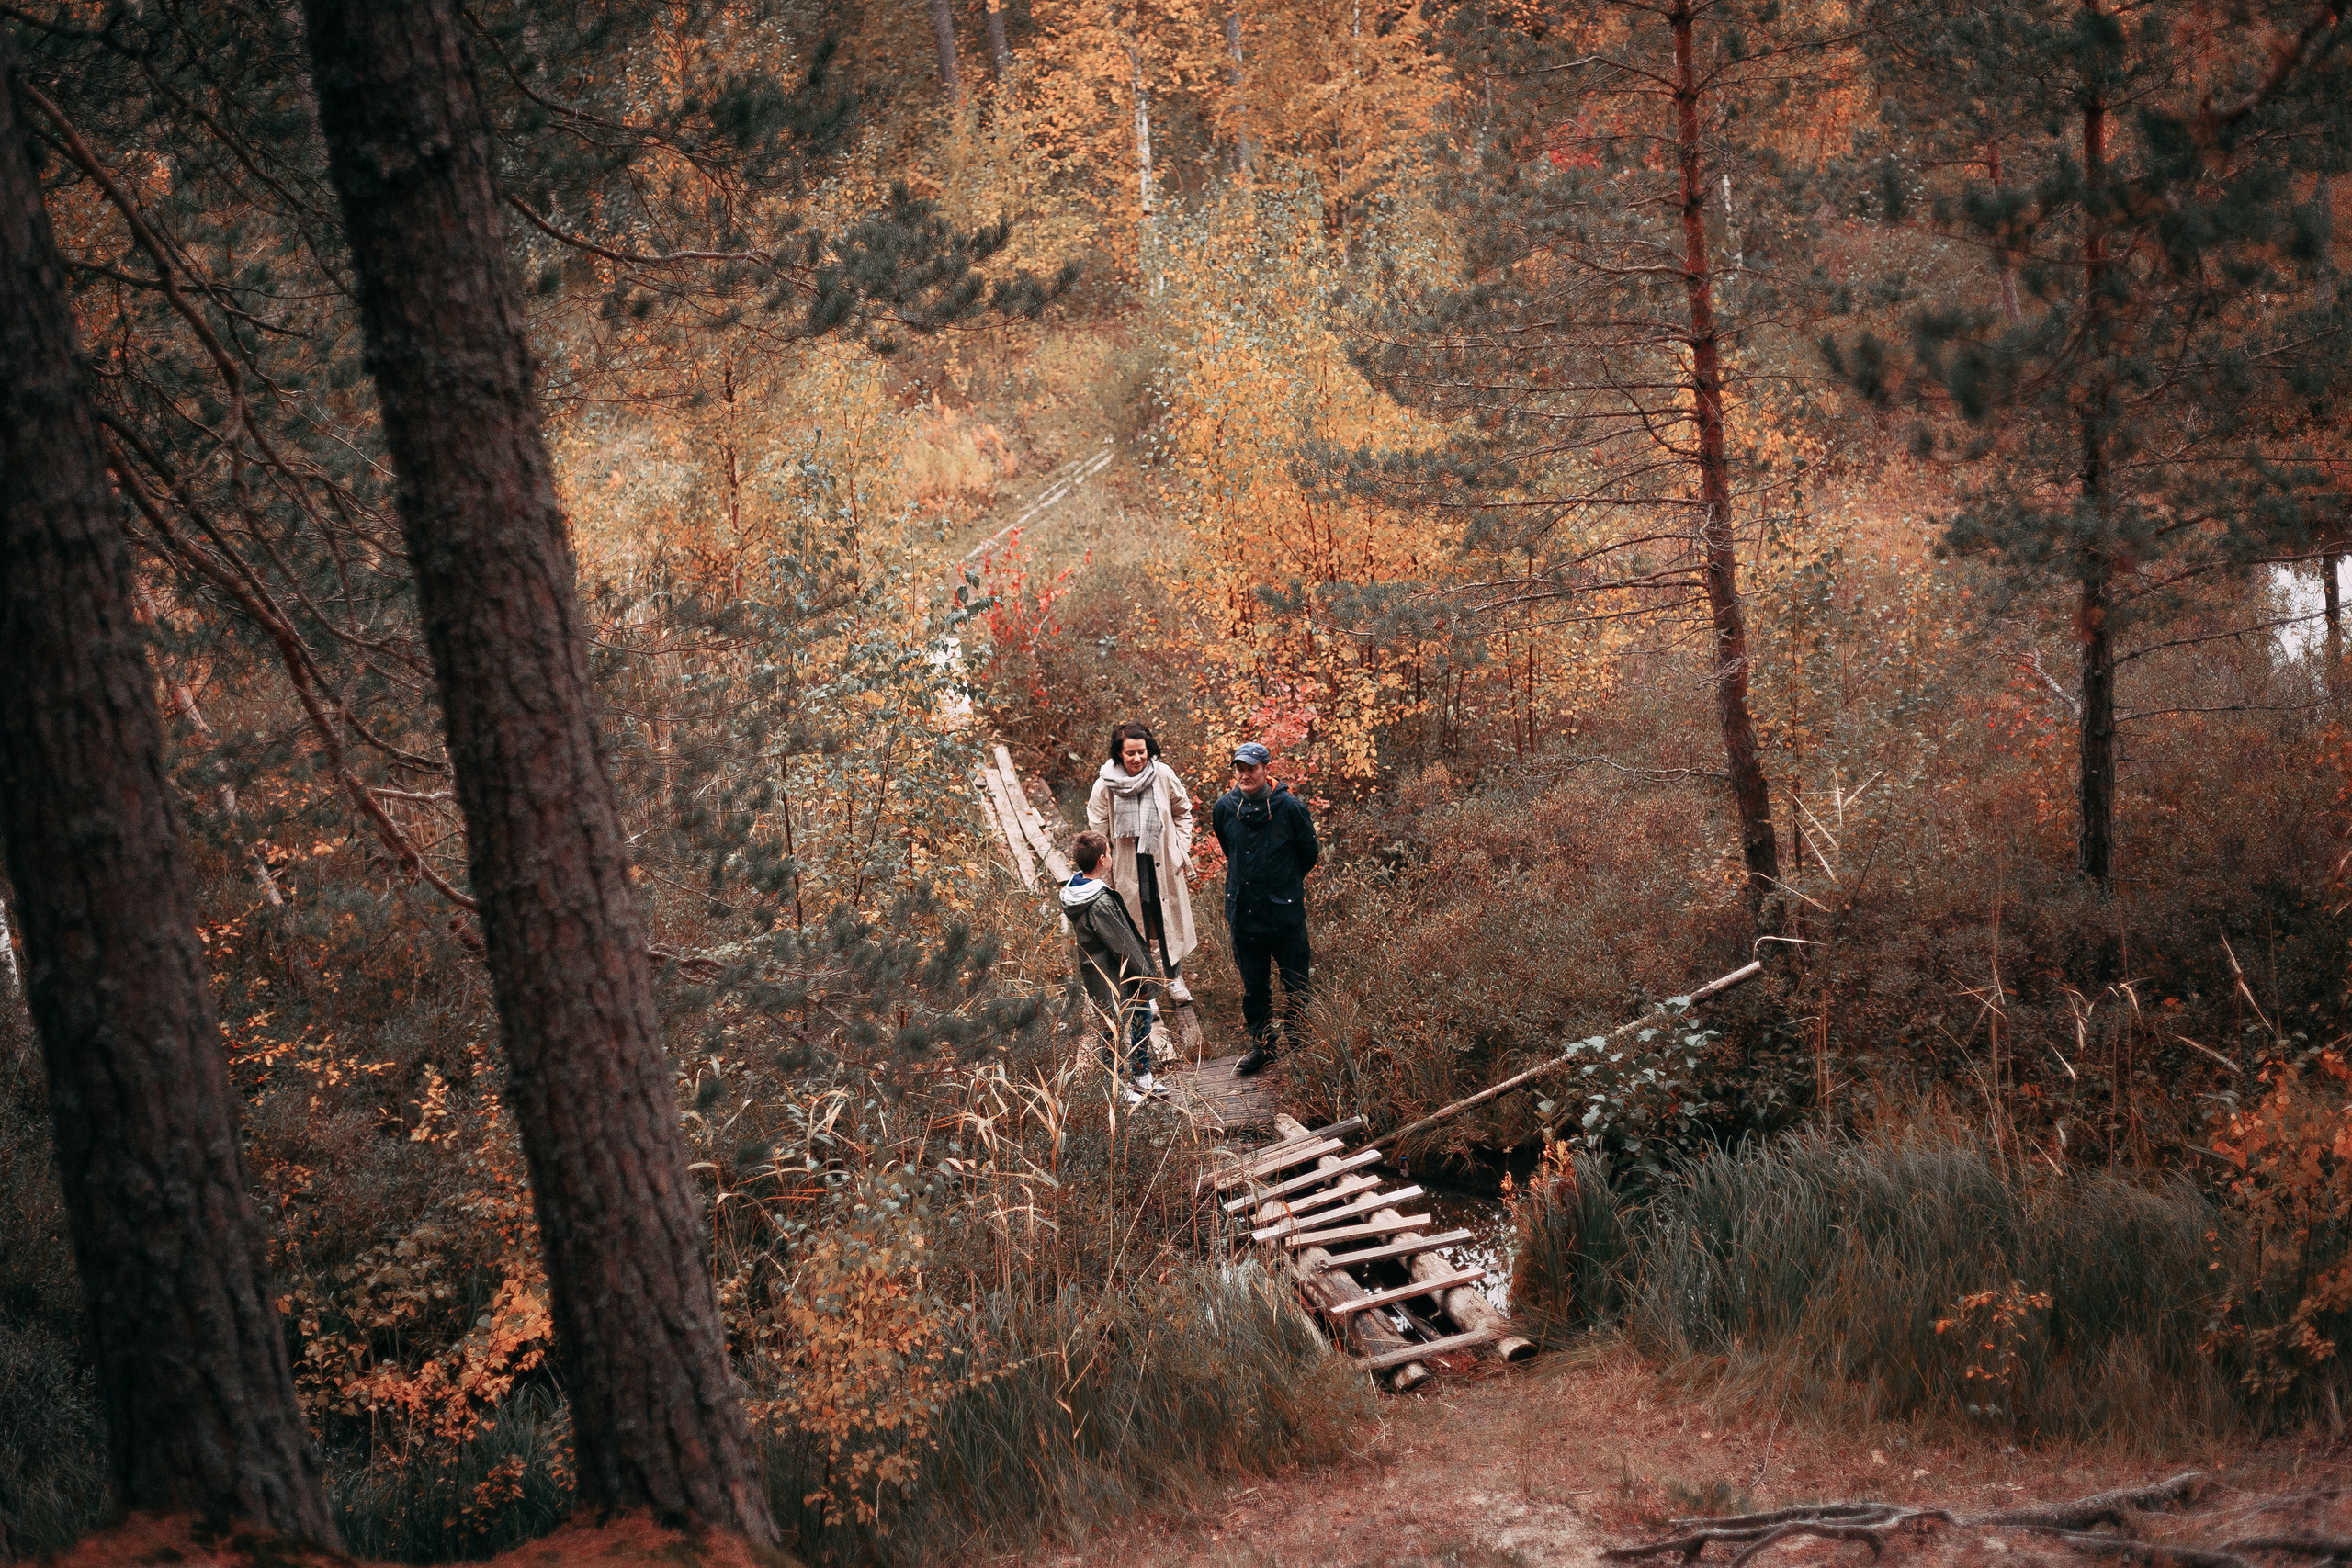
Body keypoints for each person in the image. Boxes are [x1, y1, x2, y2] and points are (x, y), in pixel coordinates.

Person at [1211, 741, 1319, 1077]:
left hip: (1285, 917)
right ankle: (1264, 1048)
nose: (1244, 775)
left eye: (1251, 768)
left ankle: (1300, 1048)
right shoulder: (1225, 807)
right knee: (1254, 989)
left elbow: (1309, 853)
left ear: (1266, 768)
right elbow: (1229, 848)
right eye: (1239, 769)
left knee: (1297, 985)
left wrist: (1283, 884)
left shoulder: (1290, 808)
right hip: (1244, 916)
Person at [1086, 721, 1198, 1005]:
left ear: (1149, 750)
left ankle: (1174, 979)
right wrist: (1104, 874)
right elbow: (1098, 834)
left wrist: (1180, 849)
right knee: (1133, 926)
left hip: (1160, 862)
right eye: (1130, 753)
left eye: (1142, 752)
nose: (1137, 758)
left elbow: (1182, 812)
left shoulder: (1162, 775)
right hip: (1125, 867)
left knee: (1164, 922)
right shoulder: (1105, 786)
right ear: (1119, 754)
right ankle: (1144, 987)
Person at [1061, 829, 1167, 1105]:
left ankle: (1141, 1075)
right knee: (1117, 1026)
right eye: (1108, 852)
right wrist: (1145, 976)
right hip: (1115, 972)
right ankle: (1118, 1087)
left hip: (1098, 971)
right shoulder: (1099, 902)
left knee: (1121, 1021)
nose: (1110, 856)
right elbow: (1122, 944)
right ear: (1102, 860)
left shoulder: (1078, 891)